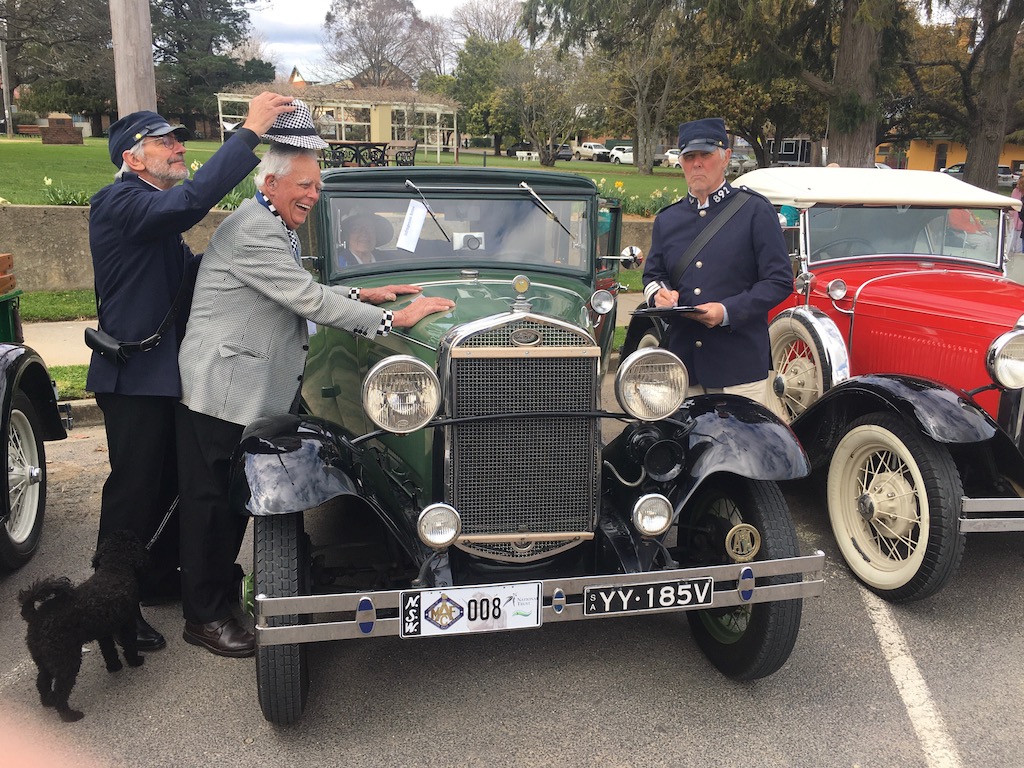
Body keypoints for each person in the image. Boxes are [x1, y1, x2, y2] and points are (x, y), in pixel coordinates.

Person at [175, 102, 455, 657]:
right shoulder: (255, 230)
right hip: (223, 388)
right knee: (210, 506)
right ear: (272, 182)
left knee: (226, 504)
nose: (313, 194)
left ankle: (216, 594)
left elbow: (297, 288)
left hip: (242, 383)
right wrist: (390, 320)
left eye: (317, 185)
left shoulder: (272, 223)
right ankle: (203, 616)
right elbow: (304, 299)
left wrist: (364, 292)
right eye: (304, 184)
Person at [87, 92, 296, 652]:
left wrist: (263, 260)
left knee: (168, 491)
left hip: (165, 376)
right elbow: (191, 202)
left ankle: (154, 581)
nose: (179, 147)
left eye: (178, 138)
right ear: (133, 158)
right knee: (133, 497)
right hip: (132, 380)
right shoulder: (118, 204)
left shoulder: (155, 223)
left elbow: (201, 274)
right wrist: (249, 132)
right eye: (165, 141)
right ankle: (113, 607)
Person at [642, 117, 792, 412]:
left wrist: (727, 312)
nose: (697, 163)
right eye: (689, 156)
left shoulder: (754, 211)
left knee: (742, 455)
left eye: (705, 155)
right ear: (681, 163)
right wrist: (659, 294)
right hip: (684, 368)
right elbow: (654, 275)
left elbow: (778, 281)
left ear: (724, 158)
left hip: (738, 368)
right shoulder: (668, 219)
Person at [1009, 175, 1024, 256]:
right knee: (1011, 241)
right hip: (1014, 219)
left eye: (1020, 184)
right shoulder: (1015, 191)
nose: (1018, 185)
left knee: (1019, 246)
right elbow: (1012, 204)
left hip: (1022, 222)